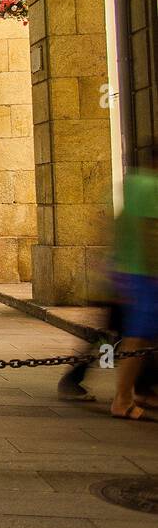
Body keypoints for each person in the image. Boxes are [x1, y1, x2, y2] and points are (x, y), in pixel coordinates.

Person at [110, 164, 158, 419]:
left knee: (138, 338)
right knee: (137, 339)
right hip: (146, 276)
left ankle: (140, 391)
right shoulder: (151, 187)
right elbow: (151, 232)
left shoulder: (135, 185)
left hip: (129, 272)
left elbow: (117, 226)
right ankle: (124, 397)